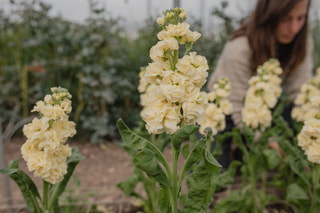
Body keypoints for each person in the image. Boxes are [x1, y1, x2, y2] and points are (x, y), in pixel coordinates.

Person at [207, 0, 314, 168]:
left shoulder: (301, 41)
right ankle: (242, 146)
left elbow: (300, 93)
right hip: (223, 108)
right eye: (286, 19)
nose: (294, 28)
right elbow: (237, 105)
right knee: (211, 177)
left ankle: (246, 150)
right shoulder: (239, 47)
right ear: (269, 16)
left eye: (300, 18)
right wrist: (268, 141)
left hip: (263, 107)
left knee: (297, 121)